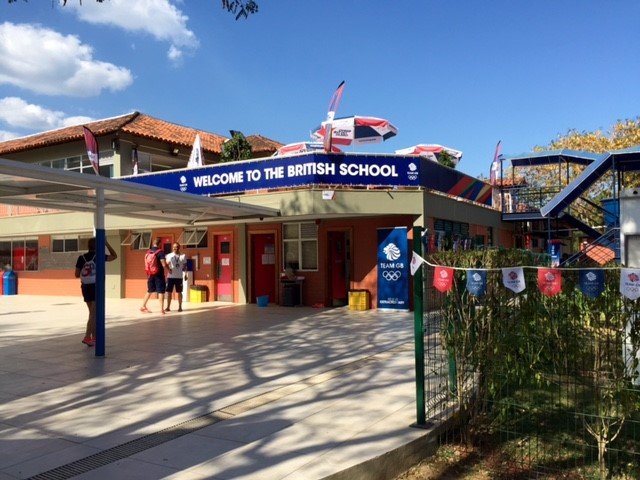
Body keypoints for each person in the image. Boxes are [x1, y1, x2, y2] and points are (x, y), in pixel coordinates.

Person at [75, 237, 117, 347]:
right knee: (93, 314)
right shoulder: (99, 256)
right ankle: (87, 336)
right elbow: (114, 256)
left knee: (92, 313)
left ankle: (94, 337)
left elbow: (76, 274)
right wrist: (107, 244)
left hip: (85, 287)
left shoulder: (81, 258)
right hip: (95, 286)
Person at [140, 237, 169, 314]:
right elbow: (163, 264)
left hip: (150, 274)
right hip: (159, 275)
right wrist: (169, 268)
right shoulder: (160, 252)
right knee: (161, 291)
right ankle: (161, 310)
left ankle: (143, 306)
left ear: (153, 243)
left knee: (149, 290)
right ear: (160, 243)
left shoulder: (148, 252)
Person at [165, 242, 187, 312]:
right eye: (174, 247)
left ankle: (180, 307)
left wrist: (186, 274)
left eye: (177, 247)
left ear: (179, 247)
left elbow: (185, 266)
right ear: (172, 247)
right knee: (169, 292)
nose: (175, 248)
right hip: (170, 277)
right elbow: (166, 264)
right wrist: (168, 269)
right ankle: (168, 307)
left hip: (179, 277)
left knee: (179, 292)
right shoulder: (169, 255)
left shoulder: (183, 256)